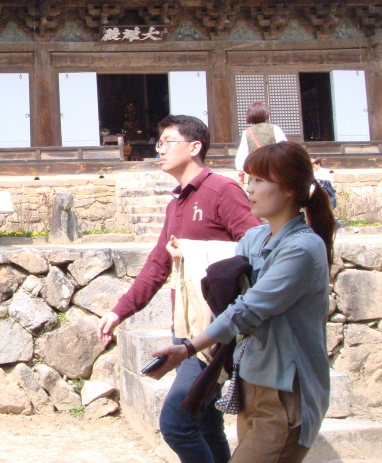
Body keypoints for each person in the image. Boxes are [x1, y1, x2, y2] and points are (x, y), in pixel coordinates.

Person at [149, 141, 334, 463]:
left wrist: (189, 348)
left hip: (286, 391)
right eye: (249, 179)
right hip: (252, 385)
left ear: (289, 188)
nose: (249, 189)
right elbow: (229, 285)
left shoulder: (302, 248)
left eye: (260, 180)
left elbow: (247, 309)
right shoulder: (255, 238)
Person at [97, 115, 260, 463]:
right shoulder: (176, 204)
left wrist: (195, 254)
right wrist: (118, 311)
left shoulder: (222, 190)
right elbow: (157, 265)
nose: (160, 150)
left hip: (215, 327)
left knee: (177, 423)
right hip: (184, 323)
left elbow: (255, 247)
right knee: (205, 425)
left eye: (168, 142)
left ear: (195, 147)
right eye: (160, 143)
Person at [234, 101, 286, 176]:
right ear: (266, 114)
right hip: (273, 169)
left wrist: (241, 169)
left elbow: (243, 153)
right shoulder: (275, 128)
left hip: (256, 170)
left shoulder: (247, 132)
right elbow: (284, 149)